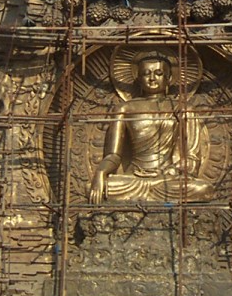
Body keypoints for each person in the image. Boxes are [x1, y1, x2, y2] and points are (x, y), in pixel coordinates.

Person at [89, 52, 213, 204]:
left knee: (203, 188)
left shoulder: (183, 109)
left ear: (169, 79)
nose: (152, 78)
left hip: (168, 178)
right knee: (96, 187)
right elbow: (113, 155)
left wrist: (172, 170)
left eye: (159, 73)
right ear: (138, 79)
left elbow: (192, 157)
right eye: (146, 74)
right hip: (133, 179)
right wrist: (100, 173)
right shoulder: (125, 108)